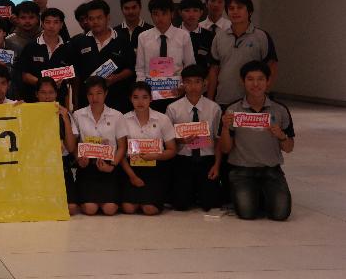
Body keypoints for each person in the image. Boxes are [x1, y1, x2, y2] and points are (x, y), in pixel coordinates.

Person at [220, 61, 295, 221]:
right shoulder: (233, 110)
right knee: (247, 213)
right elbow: (225, 149)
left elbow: (289, 148)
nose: (255, 84)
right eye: (250, 79)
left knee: (281, 214)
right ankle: (256, 195)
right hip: (242, 171)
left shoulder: (280, 110)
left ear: (268, 81)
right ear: (242, 81)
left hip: (271, 170)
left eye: (260, 79)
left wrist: (281, 135)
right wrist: (225, 128)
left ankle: (263, 194)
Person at [165, 64, 223, 211]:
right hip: (183, 159)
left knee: (210, 204)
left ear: (205, 83)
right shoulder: (173, 108)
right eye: (188, 82)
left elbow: (218, 140)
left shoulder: (214, 108)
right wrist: (181, 140)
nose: (193, 86)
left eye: (197, 81)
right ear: (183, 84)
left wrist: (216, 165)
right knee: (180, 204)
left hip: (207, 159)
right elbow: (167, 139)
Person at [207, 0, 278, 108]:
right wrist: (210, 100)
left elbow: (272, 65)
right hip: (224, 98)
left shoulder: (261, 36)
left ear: (249, 12)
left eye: (239, 8)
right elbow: (214, 70)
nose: (235, 12)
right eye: (231, 8)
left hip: (253, 100)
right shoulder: (219, 37)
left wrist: (265, 92)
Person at [71, 76, 127, 216]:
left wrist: (112, 166)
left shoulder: (117, 116)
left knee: (110, 209)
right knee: (90, 209)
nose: (94, 98)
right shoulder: (78, 115)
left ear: (106, 93)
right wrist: (79, 159)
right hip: (87, 167)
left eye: (99, 93)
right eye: (90, 94)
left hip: (109, 167)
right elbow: (73, 144)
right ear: (86, 96)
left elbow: (122, 146)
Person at [119, 82, 177, 215]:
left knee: (150, 209)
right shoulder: (123, 119)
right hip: (131, 169)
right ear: (130, 99)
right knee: (128, 208)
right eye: (136, 97)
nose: (140, 102)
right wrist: (132, 176)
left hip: (156, 168)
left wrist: (155, 155)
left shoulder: (162, 119)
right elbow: (121, 152)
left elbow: (172, 150)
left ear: (151, 98)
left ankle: (146, 200)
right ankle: (138, 199)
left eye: (145, 97)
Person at [71, 0, 135, 113]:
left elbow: (131, 68)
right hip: (87, 102)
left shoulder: (122, 40)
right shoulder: (78, 42)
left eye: (99, 18)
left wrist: (116, 78)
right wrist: (75, 100)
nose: (95, 22)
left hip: (117, 101)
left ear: (107, 17)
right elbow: (75, 73)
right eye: (91, 19)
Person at [135, 0, 195, 110]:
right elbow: (140, 69)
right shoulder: (143, 37)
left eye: (164, 13)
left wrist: (183, 87)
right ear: (151, 15)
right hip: (151, 93)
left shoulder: (183, 36)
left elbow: (190, 66)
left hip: (177, 92)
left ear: (172, 14)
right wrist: (143, 90)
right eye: (156, 14)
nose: (160, 18)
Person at [36, 76, 78, 215]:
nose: (47, 97)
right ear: (37, 94)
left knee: (71, 208)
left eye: (51, 92)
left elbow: (71, 148)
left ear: (56, 94)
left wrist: (65, 117)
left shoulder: (64, 114)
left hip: (60, 164)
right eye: (43, 92)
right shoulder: (29, 113)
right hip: (38, 165)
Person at [19, 8, 75, 103]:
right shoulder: (31, 46)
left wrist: (64, 80)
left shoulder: (68, 48)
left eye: (56, 22)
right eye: (48, 22)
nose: (51, 26)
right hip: (33, 100)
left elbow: (72, 75)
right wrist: (43, 84)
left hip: (59, 100)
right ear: (42, 24)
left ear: (61, 25)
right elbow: (24, 75)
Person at [177, 0, 215, 69]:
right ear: (180, 13)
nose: (191, 14)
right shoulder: (173, 35)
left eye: (195, 10)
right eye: (187, 11)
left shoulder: (210, 36)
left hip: (203, 75)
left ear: (201, 13)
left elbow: (213, 63)